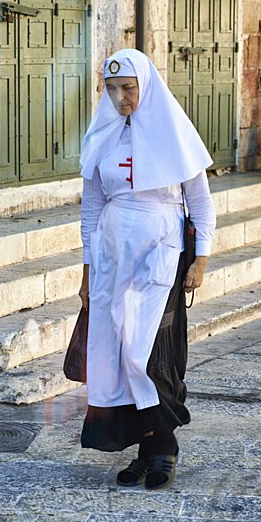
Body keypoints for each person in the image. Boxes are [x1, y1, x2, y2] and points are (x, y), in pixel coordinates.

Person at [78, 48, 216, 490]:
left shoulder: (173, 132)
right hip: (113, 251)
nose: (120, 98)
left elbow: (200, 202)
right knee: (118, 354)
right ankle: (145, 448)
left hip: (160, 252)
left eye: (129, 88)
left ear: (146, 86)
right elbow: (91, 207)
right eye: (112, 89)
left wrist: (201, 259)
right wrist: (86, 272)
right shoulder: (103, 135)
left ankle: (165, 446)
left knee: (151, 353)